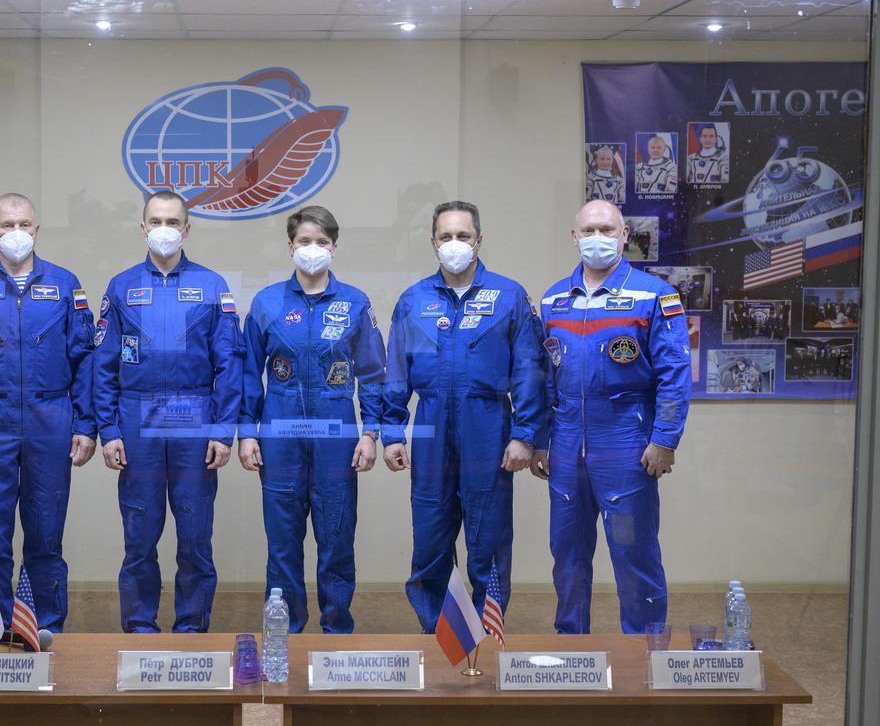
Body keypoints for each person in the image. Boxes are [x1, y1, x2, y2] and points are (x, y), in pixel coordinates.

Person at [381, 200, 546, 632]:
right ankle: (438, 634)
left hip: (488, 426)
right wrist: (392, 432)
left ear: (478, 240)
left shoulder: (509, 297)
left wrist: (525, 433)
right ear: (433, 242)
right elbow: (395, 371)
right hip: (431, 425)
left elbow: (530, 370)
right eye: (446, 236)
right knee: (431, 537)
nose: (455, 244)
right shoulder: (413, 300)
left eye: (463, 236)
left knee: (488, 538)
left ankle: (486, 634)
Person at [531, 199, 691, 634]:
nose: (597, 238)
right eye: (588, 231)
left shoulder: (654, 295)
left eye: (606, 230)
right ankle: (571, 648)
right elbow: (546, 378)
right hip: (566, 446)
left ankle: (643, 649)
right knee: (567, 554)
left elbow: (675, 374)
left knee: (632, 553)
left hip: (625, 445)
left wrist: (664, 439)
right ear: (575, 237)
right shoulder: (554, 300)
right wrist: (542, 440)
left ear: (624, 235)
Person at [0, 192, 97, 636]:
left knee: (46, 534)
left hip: (51, 416)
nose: (16, 233)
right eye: (7, 226)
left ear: (36, 229)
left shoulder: (65, 284)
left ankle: (42, 630)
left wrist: (85, 424)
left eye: (24, 224)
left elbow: (84, 358)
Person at [94, 190, 242, 633]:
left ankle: (191, 631)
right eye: (156, 221)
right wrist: (108, 430)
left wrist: (223, 431)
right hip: (136, 418)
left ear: (187, 229)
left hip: (193, 417)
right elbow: (103, 365)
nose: (164, 230)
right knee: (139, 537)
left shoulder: (212, 287)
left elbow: (229, 364)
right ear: (143, 228)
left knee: (195, 538)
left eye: (173, 222)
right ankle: (140, 630)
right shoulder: (121, 287)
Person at [238, 206, 386, 633]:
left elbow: (373, 373)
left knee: (336, 541)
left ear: (334, 248)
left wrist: (371, 432)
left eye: (322, 242)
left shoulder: (355, 303)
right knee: (283, 545)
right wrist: (247, 432)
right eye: (305, 241)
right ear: (291, 247)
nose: (313, 249)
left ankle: (336, 633)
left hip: (336, 438)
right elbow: (248, 373)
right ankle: (285, 634)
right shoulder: (266, 303)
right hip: (280, 437)